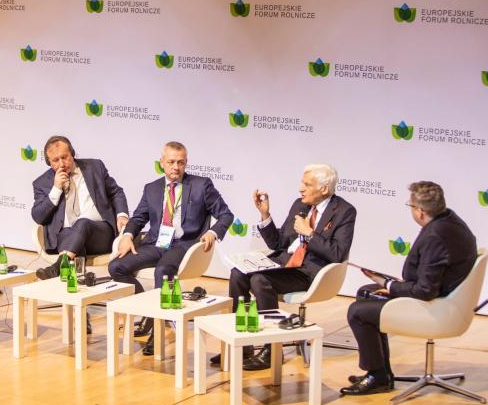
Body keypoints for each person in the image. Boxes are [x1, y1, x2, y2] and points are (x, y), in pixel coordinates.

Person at [340, 181, 477, 396]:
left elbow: (425, 291)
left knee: (358, 312)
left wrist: (390, 285)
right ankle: (382, 373)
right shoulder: (451, 220)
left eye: (410, 205)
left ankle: (377, 375)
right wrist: (394, 285)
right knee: (366, 293)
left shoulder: (435, 236)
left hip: (437, 307)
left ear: (420, 211)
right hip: (445, 296)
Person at [225, 163, 356, 370]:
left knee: (260, 280)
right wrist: (265, 215)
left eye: (307, 184)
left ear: (323, 189)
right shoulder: (300, 204)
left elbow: (337, 253)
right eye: (302, 183)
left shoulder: (344, 211)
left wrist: (309, 234)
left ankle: (271, 350)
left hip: (310, 272)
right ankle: (242, 343)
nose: (300, 189)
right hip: (284, 264)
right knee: (238, 273)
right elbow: (279, 243)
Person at [110, 141, 233, 355]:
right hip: (157, 243)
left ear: (186, 163)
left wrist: (213, 232)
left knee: (163, 271)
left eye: (181, 162)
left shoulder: (201, 185)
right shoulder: (152, 188)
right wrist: (128, 235)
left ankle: (157, 333)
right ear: (162, 162)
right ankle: (149, 313)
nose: (176, 167)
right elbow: (138, 218)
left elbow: (226, 215)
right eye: (171, 162)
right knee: (116, 266)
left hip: (184, 244)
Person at [32, 135, 129, 280]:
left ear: (72, 153)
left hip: (99, 233)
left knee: (82, 223)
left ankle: (58, 266)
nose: (61, 164)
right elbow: (38, 216)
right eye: (55, 160)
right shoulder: (42, 183)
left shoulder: (95, 167)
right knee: (74, 243)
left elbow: (116, 192)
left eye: (64, 157)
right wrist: (56, 189)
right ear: (49, 162)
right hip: (66, 236)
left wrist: (122, 215)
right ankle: (78, 287)